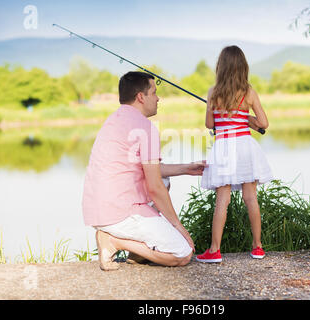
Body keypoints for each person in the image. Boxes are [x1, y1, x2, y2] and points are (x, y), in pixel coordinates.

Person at [82, 71, 205, 271]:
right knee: (182, 254)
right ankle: (114, 241)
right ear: (141, 97)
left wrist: (186, 168)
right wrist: (179, 227)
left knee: (164, 180)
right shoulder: (145, 128)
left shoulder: (114, 120)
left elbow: (150, 171)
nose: (158, 98)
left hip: (99, 209)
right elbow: (154, 187)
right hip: (120, 213)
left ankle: (135, 252)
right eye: (154, 92)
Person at [196, 45, 273, 263]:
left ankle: (214, 250)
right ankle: (258, 247)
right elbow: (264, 123)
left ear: (220, 67)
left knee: (222, 199)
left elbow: (209, 123)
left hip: (224, 147)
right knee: (251, 198)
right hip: (245, 147)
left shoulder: (214, 92)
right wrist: (247, 119)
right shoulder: (249, 92)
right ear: (243, 67)